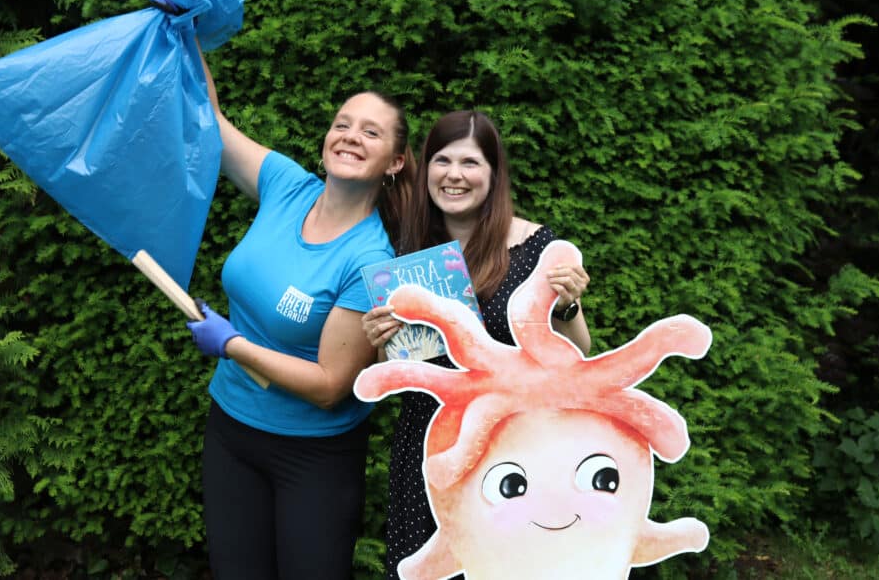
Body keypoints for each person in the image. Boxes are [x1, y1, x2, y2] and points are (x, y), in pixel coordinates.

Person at [185, 50, 415, 579]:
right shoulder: (286, 187)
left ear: (395, 163)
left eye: (371, 133)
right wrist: (185, 30)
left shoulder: (369, 260)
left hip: (312, 459)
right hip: (230, 432)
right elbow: (212, 124)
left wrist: (230, 344)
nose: (351, 136)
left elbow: (331, 384)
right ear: (325, 142)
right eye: (342, 124)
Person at [361, 110, 592, 579]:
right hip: (430, 444)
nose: (454, 175)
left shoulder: (535, 247)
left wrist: (568, 306)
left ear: (493, 173)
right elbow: (402, 366)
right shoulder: (409, 252)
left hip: (516, 449)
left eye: (470, 163)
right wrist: (380, 341)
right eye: (442, 161)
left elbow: (579, 354)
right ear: (426, 171)